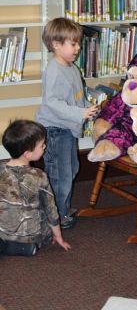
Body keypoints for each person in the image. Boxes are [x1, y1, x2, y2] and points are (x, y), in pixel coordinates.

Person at [36, 17, 99, 229]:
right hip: (54, 130)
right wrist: (81, 112)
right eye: (73, 44)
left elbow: (76, 96)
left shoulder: (71, 67)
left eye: (78, 43)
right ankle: (57, 215)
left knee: (71, 170)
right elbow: (52, 103)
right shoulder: (54, 70)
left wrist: (88, 107)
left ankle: (60, 208)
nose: (78, 48)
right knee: (60, 174)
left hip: (67, 128)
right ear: (56, 44)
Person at [0, 120, 70, 256]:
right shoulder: (39, 176)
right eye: (42, 145)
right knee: (43, 215)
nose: (45, 146)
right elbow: (51, 211)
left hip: (3, 230)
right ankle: (26, 247)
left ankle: (6, 243)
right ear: (27, 154)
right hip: (30, 235)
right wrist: (59, 237)